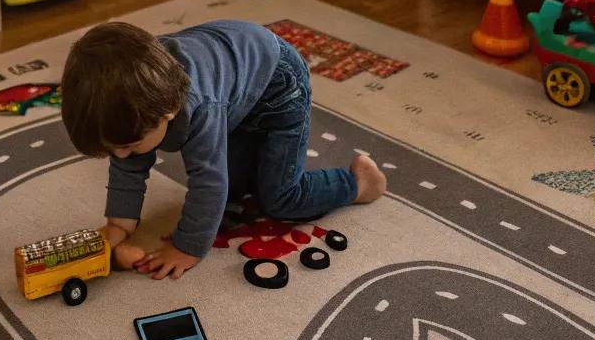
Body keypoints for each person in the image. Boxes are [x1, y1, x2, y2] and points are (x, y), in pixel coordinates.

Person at [61, 19, 386, 280]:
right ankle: (254, 150)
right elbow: (129, 163)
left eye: (127, 145)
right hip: (237, 82)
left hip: (279, 88)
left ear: (167, 114)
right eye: (111, 148)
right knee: (239, 185)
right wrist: (119, 225)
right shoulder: (139, 95)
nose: (119, 156)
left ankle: (358, 184)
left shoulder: (198, 108)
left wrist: (188, 247)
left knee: (278, 197)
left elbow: (209, 183)